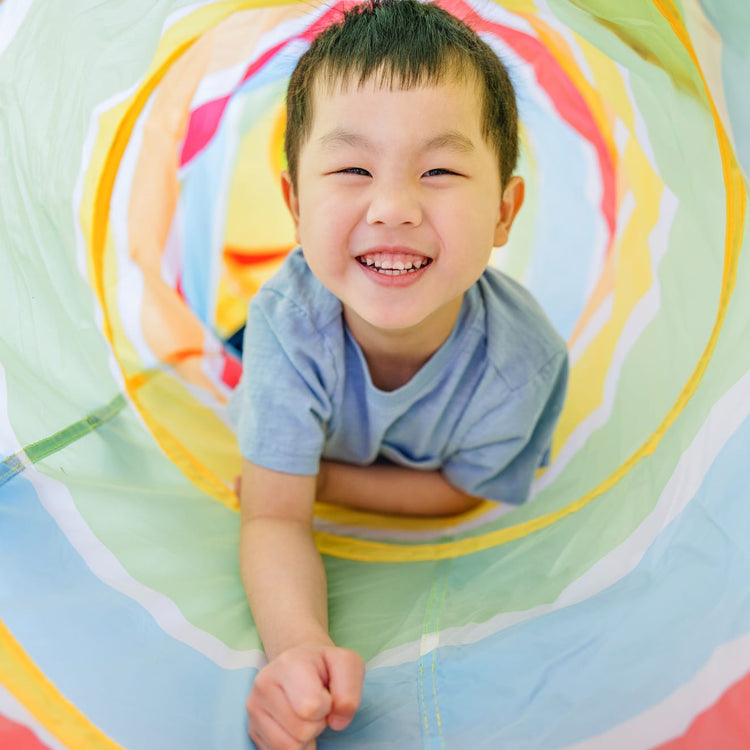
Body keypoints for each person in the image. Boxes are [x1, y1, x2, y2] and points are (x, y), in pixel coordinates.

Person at [232, 0, 568, 746]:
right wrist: (299, 651)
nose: (393, 207)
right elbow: (272, 517)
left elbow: (461, 490)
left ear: (506, 212)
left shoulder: (521, 365)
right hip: (293, 347)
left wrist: (324, 480)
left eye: (441, 169)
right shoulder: (285, 323)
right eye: (351, 168)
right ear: (293, 201)